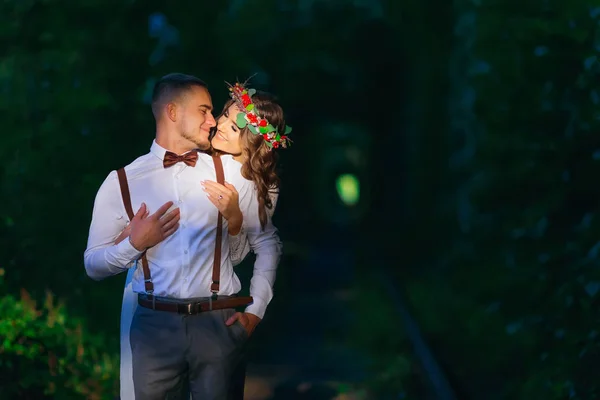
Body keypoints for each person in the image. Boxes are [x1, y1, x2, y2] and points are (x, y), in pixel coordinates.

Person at [84, 73, 290, 399]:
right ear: (173, 112)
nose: (215, 123)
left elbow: (253, 246)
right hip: (151, 316)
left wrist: (254, 312)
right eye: (211, 112)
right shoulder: (123, 181)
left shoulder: (239, 176)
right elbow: (93, 263)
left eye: (224, 119)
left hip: (216, 320)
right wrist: (134, 243)